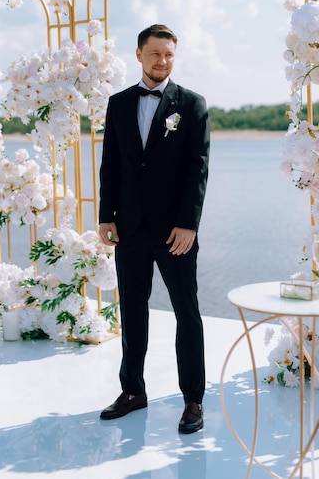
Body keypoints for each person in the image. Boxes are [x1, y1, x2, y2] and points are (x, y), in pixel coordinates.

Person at [98, 24, 210, 434]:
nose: (162, 61)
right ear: (140, 55)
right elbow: (110, 164)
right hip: (128, 228)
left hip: (174, 231)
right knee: (132, 310)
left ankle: (193, 400)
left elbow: (197, 169)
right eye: (155, 54)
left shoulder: (192, 104)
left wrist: (188, 225)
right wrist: (105, 215)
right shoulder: (119, 104)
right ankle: (133, 391)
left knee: (187, 312)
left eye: (169, 55)